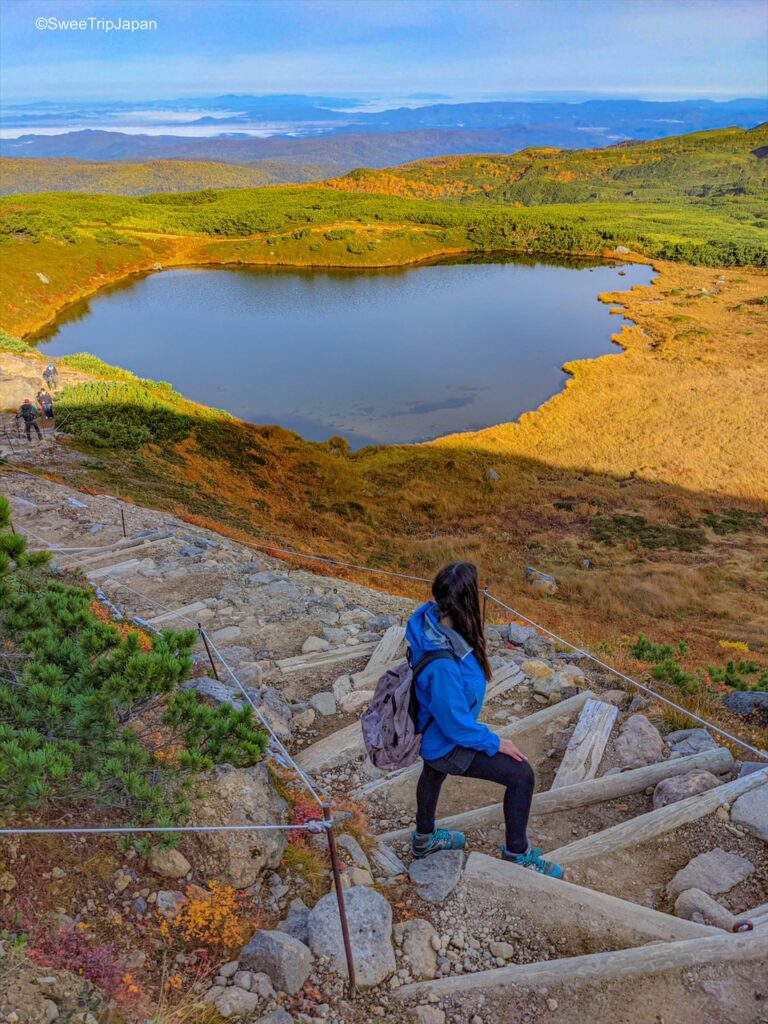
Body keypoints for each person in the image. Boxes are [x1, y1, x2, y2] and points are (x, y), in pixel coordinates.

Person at [407, 561, 563, 877]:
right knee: (521, 775)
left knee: (433, 772)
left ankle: (424, 838)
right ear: (467, 601)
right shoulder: (444, 664)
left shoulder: (429, 622)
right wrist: (494, 742)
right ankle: (518, 854)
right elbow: (454, 725)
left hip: (432, 732)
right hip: (446, 740)